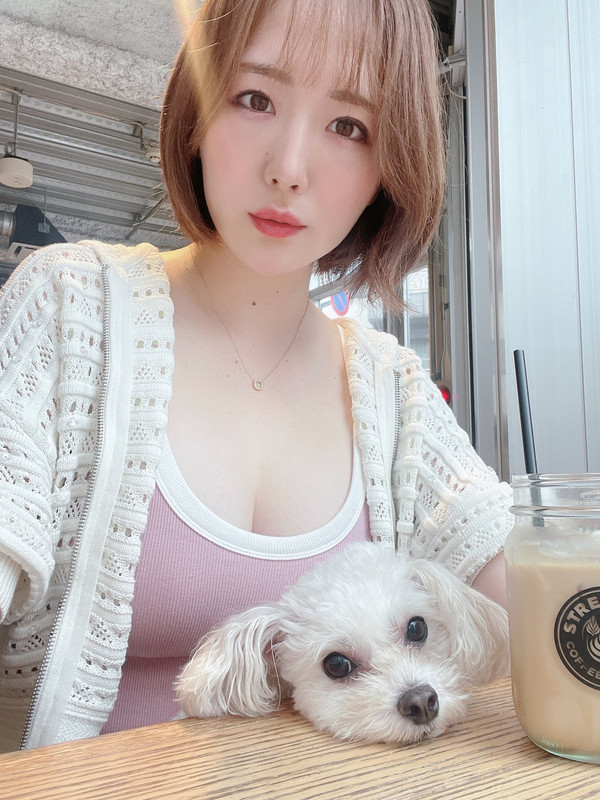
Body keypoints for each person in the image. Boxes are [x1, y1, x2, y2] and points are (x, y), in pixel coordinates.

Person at [0, 0, 513, 753]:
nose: (288, 169)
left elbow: (540, 605)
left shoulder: (395, 393)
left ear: (390, 166)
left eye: (350, 126)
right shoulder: (68, 309)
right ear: (197, 114)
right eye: (254, 98)